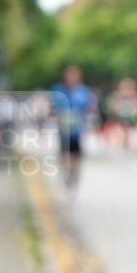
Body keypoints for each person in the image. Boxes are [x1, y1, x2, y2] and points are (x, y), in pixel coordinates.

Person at [50, 65, 94, 197]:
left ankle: (73, 179)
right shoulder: (58, 90)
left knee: (76, 158)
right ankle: (67, 177)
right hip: (63, 130)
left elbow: (89, 108)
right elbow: (52, 108)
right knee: (64, 157)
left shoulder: (83, 91)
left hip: (77, 131)